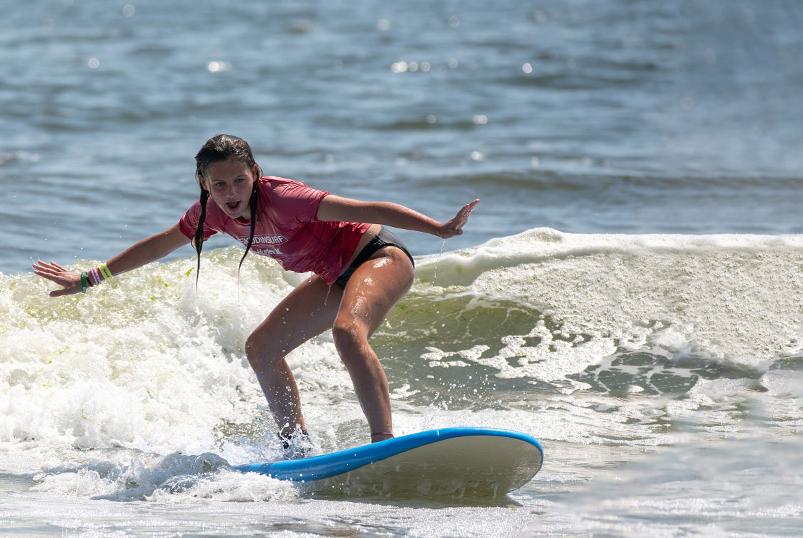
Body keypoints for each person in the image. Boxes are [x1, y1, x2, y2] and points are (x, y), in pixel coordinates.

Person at [32, 134, 477, 450]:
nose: (231, 193)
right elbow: (160, 244)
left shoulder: (287, 198)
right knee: (261, 347)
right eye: (219, 184)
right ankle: (295, 446)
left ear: (255, 174)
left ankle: (383, 443)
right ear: (204, 183)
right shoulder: (209, 214)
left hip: (378, 256)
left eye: (239, 181)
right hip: (331, 275)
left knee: (347, 332)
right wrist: (89, 279)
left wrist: (438, 227)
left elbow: (368, 208)